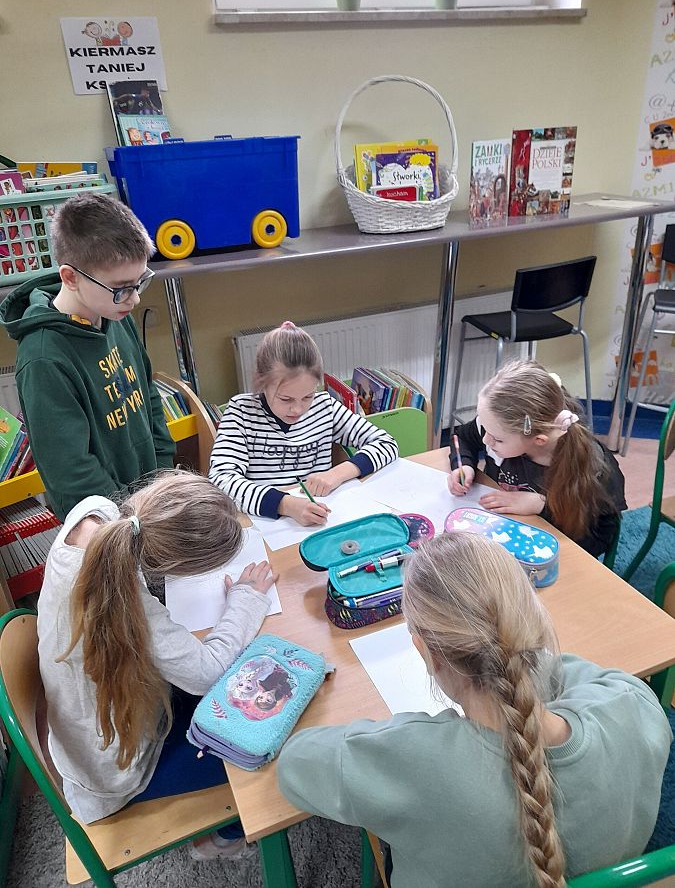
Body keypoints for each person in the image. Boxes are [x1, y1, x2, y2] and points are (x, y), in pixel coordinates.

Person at [278, 531, 672, 887]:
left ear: (427, 654)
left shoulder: (410, 759)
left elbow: (294, 764)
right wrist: (521, 658)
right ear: (532, 626)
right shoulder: (634, 705)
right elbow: (580, 674)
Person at [37, 469, 274, 858]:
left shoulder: (96, 512)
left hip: (97, 733)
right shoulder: (123, 601)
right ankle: (218, 840)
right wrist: (246, 599)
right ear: (173, 564)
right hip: (116, 774)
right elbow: (208, 673)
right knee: (267, 747)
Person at [0, 192, 175, 522]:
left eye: (140, 282)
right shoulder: (43, 359)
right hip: (106, 522)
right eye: (122, 288)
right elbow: (72, 472)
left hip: (149, 504)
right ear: (71, 277)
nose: (135, 299)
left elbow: (147, 395)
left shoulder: (113, 313)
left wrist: (162, 481)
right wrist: (129, 516)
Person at [209, 321, 398, 526]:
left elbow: (386, 443)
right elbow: (220, 480)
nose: (298, 409)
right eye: (285, 399)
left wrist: (337, 473)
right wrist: (285, 505)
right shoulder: (241, 412)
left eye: (308, 396)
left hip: (321, 520)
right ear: (261, 382)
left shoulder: (324, 407)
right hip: (265, 524)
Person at [448, 360, 626, 557]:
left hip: (546, 552)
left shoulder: (594, 471)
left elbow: (595, 540)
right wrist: (464, 465)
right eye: (485, 428)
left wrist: (542, 506)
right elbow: (462, 437)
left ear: (539, 440)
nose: (485, 440)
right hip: (497, 535)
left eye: (497, 439)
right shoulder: (498, 426)